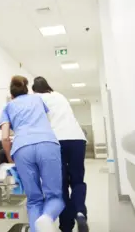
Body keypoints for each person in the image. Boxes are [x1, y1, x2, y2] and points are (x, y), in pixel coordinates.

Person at [0, 75, 64, 232]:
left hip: (22, 148)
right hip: (47, 144)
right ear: (26, 89)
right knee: (54, 197)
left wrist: (10, 158)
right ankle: (47, 218)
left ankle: (38, 226)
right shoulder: (37, 100)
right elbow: (47, 120)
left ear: (12, 94)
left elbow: (5, 138)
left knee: (34, 200)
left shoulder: (8, 107)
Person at [32, 76, 89, 232]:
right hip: (78, 139)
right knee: (77, 181)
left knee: (61, 186)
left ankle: (66, 226)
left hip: (57, 141)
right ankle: (80, 212)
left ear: (34, 89)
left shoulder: (36, 98)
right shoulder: (59, 95)